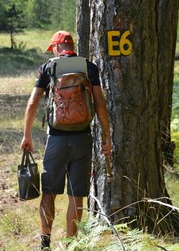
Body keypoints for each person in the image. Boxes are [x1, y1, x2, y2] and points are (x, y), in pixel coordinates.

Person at [20, 30, 112, 251]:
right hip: (83, 138)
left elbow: (33, 103)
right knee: (76, 196)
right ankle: (72, 245)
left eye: (52, 48)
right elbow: (99, 103)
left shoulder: (48, 68)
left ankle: (45, 244)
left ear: (56, 48)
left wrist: (27, 134)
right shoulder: (89, 68)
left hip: (57, 140)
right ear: (71, 45)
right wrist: (107, 136)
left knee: (49, 191)